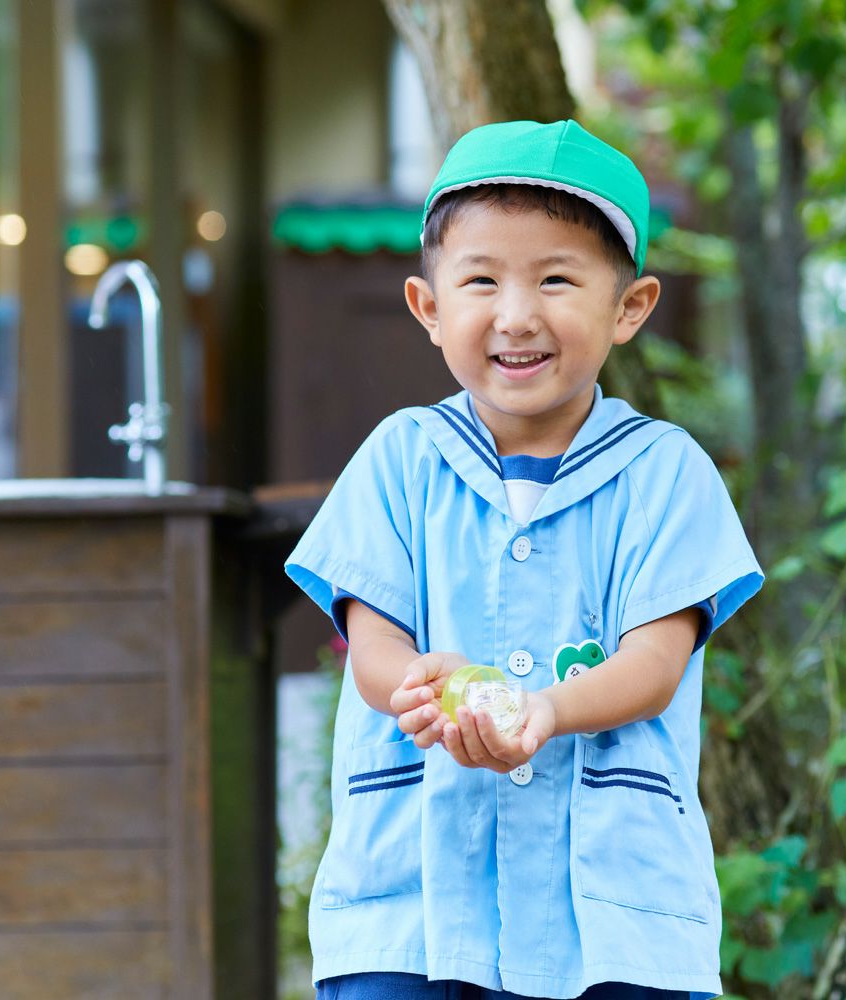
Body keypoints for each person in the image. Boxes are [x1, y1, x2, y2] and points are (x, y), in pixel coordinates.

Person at [284, 119, 764, 1000]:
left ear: (629, 307)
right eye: (480, 281)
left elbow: (654, 666)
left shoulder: (667, 474)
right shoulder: (400, 458)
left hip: (614, 923)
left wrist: (542, 710)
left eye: (555, 279)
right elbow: (373, 644)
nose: (516, 315)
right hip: (412, 913)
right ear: (430, 308)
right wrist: (427, 690)